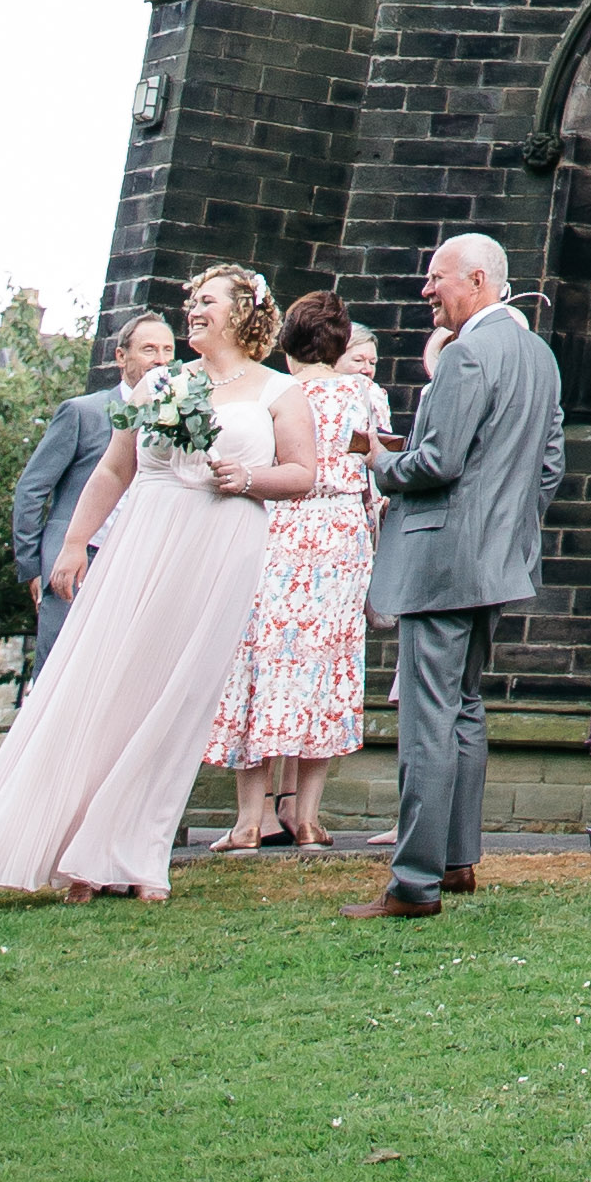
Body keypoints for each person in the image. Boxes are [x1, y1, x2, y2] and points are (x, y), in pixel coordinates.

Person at [0, 271, 324, 900]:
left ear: (242, 314)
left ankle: (136, 855)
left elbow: (302, 474)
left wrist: (249, 478)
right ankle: (72, 850)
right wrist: (71, 545)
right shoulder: (158, 383)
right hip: (143, 538)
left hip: (221, 542)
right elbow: (115, 467)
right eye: (191, 303)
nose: (191, 311)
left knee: (178, 697)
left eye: (205, 302)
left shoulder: (280, 392)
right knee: (108, 682)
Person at [356, 230, 567, 919]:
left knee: (427, 721)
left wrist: (380, 463)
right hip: (499, 564)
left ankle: (413, 883)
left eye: (436, 278)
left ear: (476, 281)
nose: (426, 292)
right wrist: (505, 527)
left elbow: (437, 463)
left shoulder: (467, 354)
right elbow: (549, 467)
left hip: (444, 562)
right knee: (468, 711)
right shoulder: (539, 354)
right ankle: (458, 861)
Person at [206, 289, 388, 854]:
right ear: (338, 346)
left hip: (282, 525)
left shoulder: (278, 392)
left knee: (260, 663)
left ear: (287, 344)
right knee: (327, 668)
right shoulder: (365, 396)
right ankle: (307, 819)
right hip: (342, 536)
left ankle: (247, 821)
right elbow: (378, 472)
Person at [10, 320, 177, 693]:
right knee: (58, 678)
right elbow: (32, 489)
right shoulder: (83, 412)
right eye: (149, 349)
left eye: (168, 351)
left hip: (136, 559)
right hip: (75, 558)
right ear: (121, 356)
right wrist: (33, 567)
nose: (160, 360)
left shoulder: (178, 419)